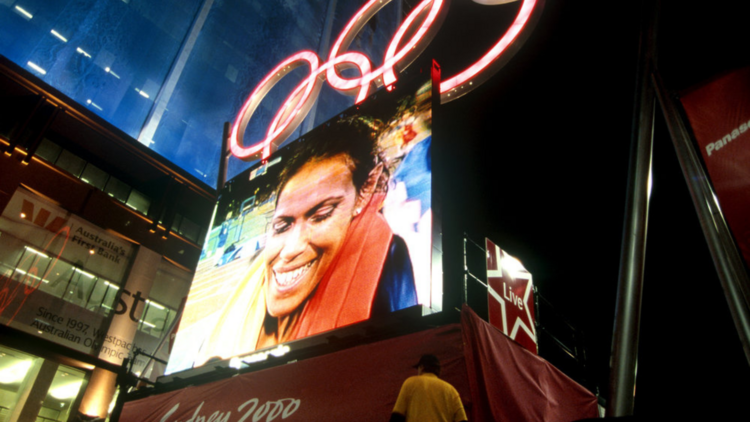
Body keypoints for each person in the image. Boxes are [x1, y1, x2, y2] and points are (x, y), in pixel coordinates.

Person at [192, 119, 418, 364]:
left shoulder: (386, 260)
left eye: (321, 215)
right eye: (282, 226)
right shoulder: (250, 282)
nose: (290, 249)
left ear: (364, 191)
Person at [390, 354, 468, 422]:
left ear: (421, 367)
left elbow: (397, 416)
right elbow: (462, 420)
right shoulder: (451, 390)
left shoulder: (410, 383)